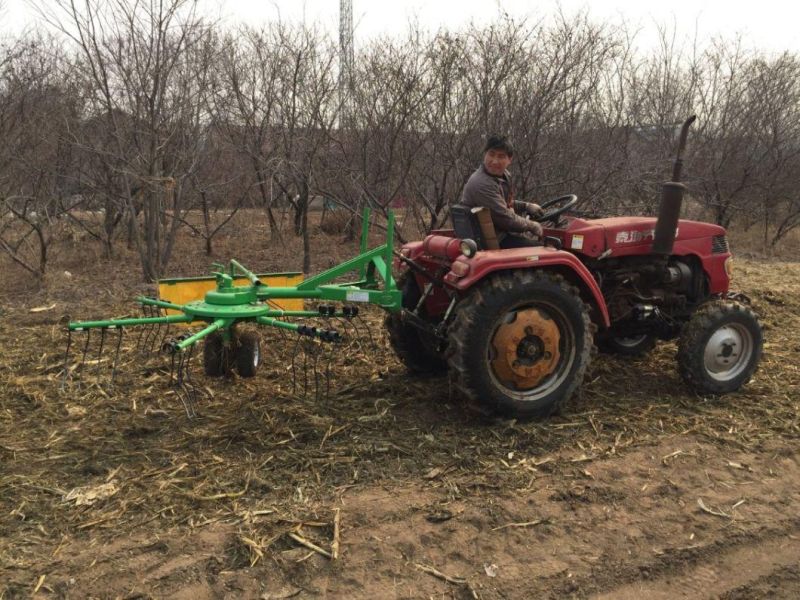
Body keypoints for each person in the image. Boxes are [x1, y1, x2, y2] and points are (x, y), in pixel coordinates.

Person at [459, 135, 544, 248]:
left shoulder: (503, 176)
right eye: (491, 154)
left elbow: (503, 203)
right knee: (545, 250)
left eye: (501, 156)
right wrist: (531, 225)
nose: (494, 161)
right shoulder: (482, 183)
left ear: (510, 159)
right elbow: (504, 217)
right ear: (485, 154)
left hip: (499, 232)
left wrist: (526, 206)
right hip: (489, 240)